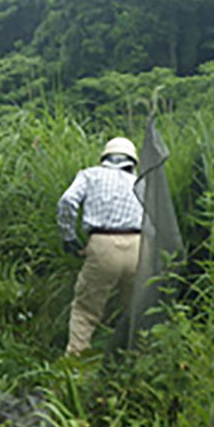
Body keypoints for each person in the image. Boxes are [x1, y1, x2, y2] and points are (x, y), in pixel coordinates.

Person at [57, 136, 143, 356]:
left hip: (102, 243)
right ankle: (135, 358)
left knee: (86, 309)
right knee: (133, 310)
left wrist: (69, 237)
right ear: (132, 161)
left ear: (104, 157)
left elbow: (67, 201)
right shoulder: (142, 182)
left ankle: (75, 361)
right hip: (138, 246)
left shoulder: (90, 175)